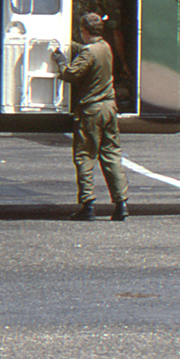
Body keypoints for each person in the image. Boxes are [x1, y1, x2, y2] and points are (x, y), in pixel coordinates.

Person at [53, 12, 128, 221]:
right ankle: (121, 204)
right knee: (111, 155)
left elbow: (70, 74)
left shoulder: (88, 53)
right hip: (109, 108)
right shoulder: (105, 47)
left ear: (85, 31)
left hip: (91, 110)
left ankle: (88, 205)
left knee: (85, 156)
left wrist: (60, 61)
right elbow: (90, 53)